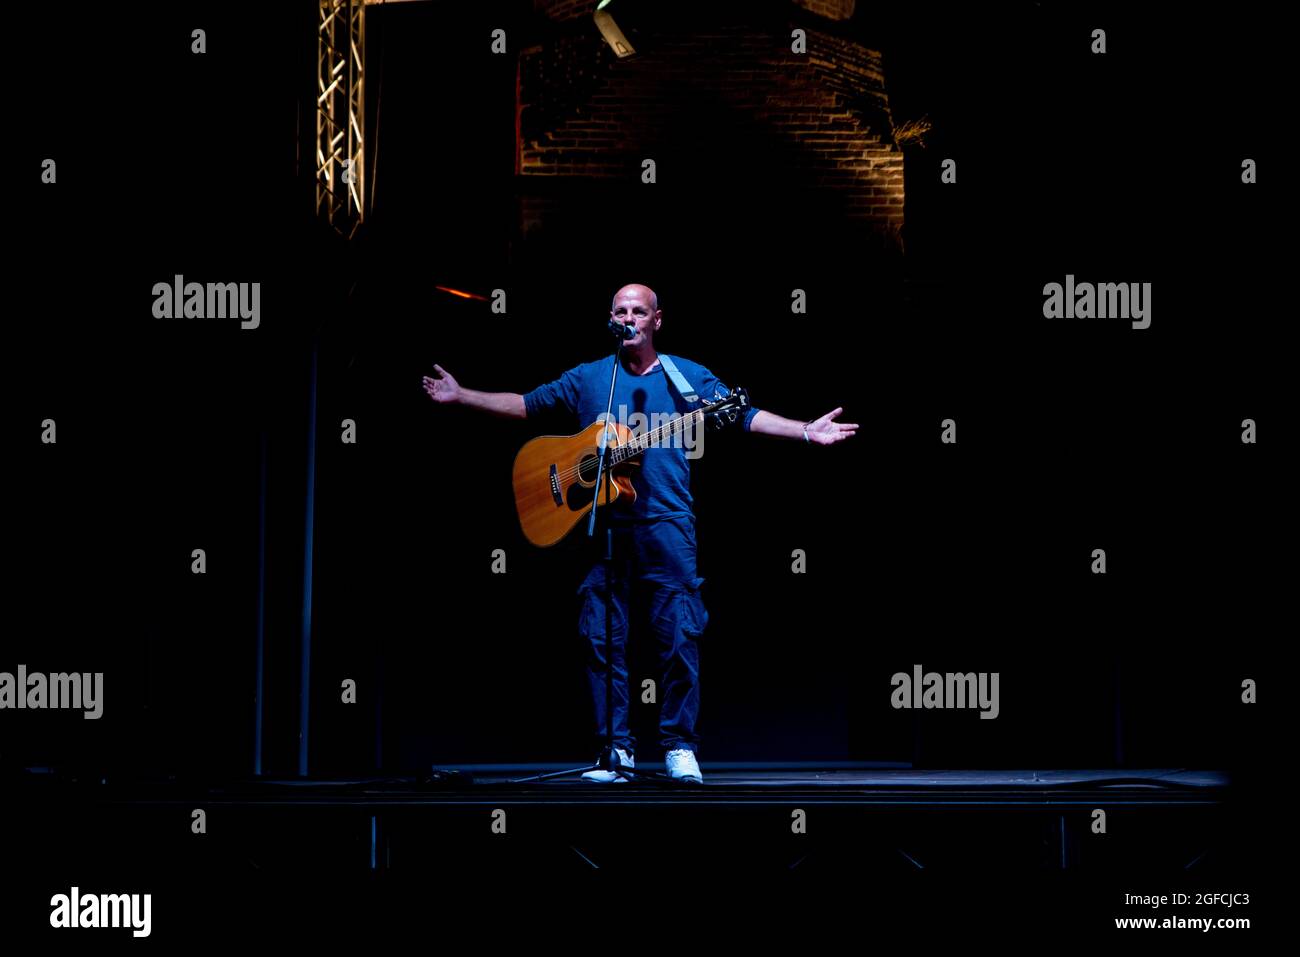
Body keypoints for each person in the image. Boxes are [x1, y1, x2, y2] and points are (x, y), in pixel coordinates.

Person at [422, 284, 856, 782]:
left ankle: (678, 747)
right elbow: (527, 405)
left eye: (639, 312)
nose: (629, 318)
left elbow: (743, 415)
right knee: (601, 637)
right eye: (621, 311)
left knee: (679, 634)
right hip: (601, 527)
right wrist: (461, 396)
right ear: (611, 318)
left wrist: (804, 430)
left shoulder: (686, 378)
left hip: (668, 522)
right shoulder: (590, 379)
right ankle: (616, 751)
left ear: (656, 321)